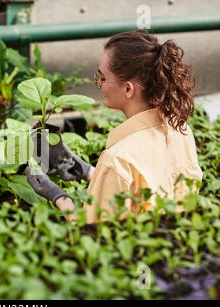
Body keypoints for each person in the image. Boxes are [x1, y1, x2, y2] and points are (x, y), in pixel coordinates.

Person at [26, 30, 203, 223]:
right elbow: (147, 194)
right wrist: (87, 171)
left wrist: (59, 197)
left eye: (102, 77)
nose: (98, 84)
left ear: (128, 89)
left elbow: (94, 235)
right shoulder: (180, 129)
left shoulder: (117, 159)